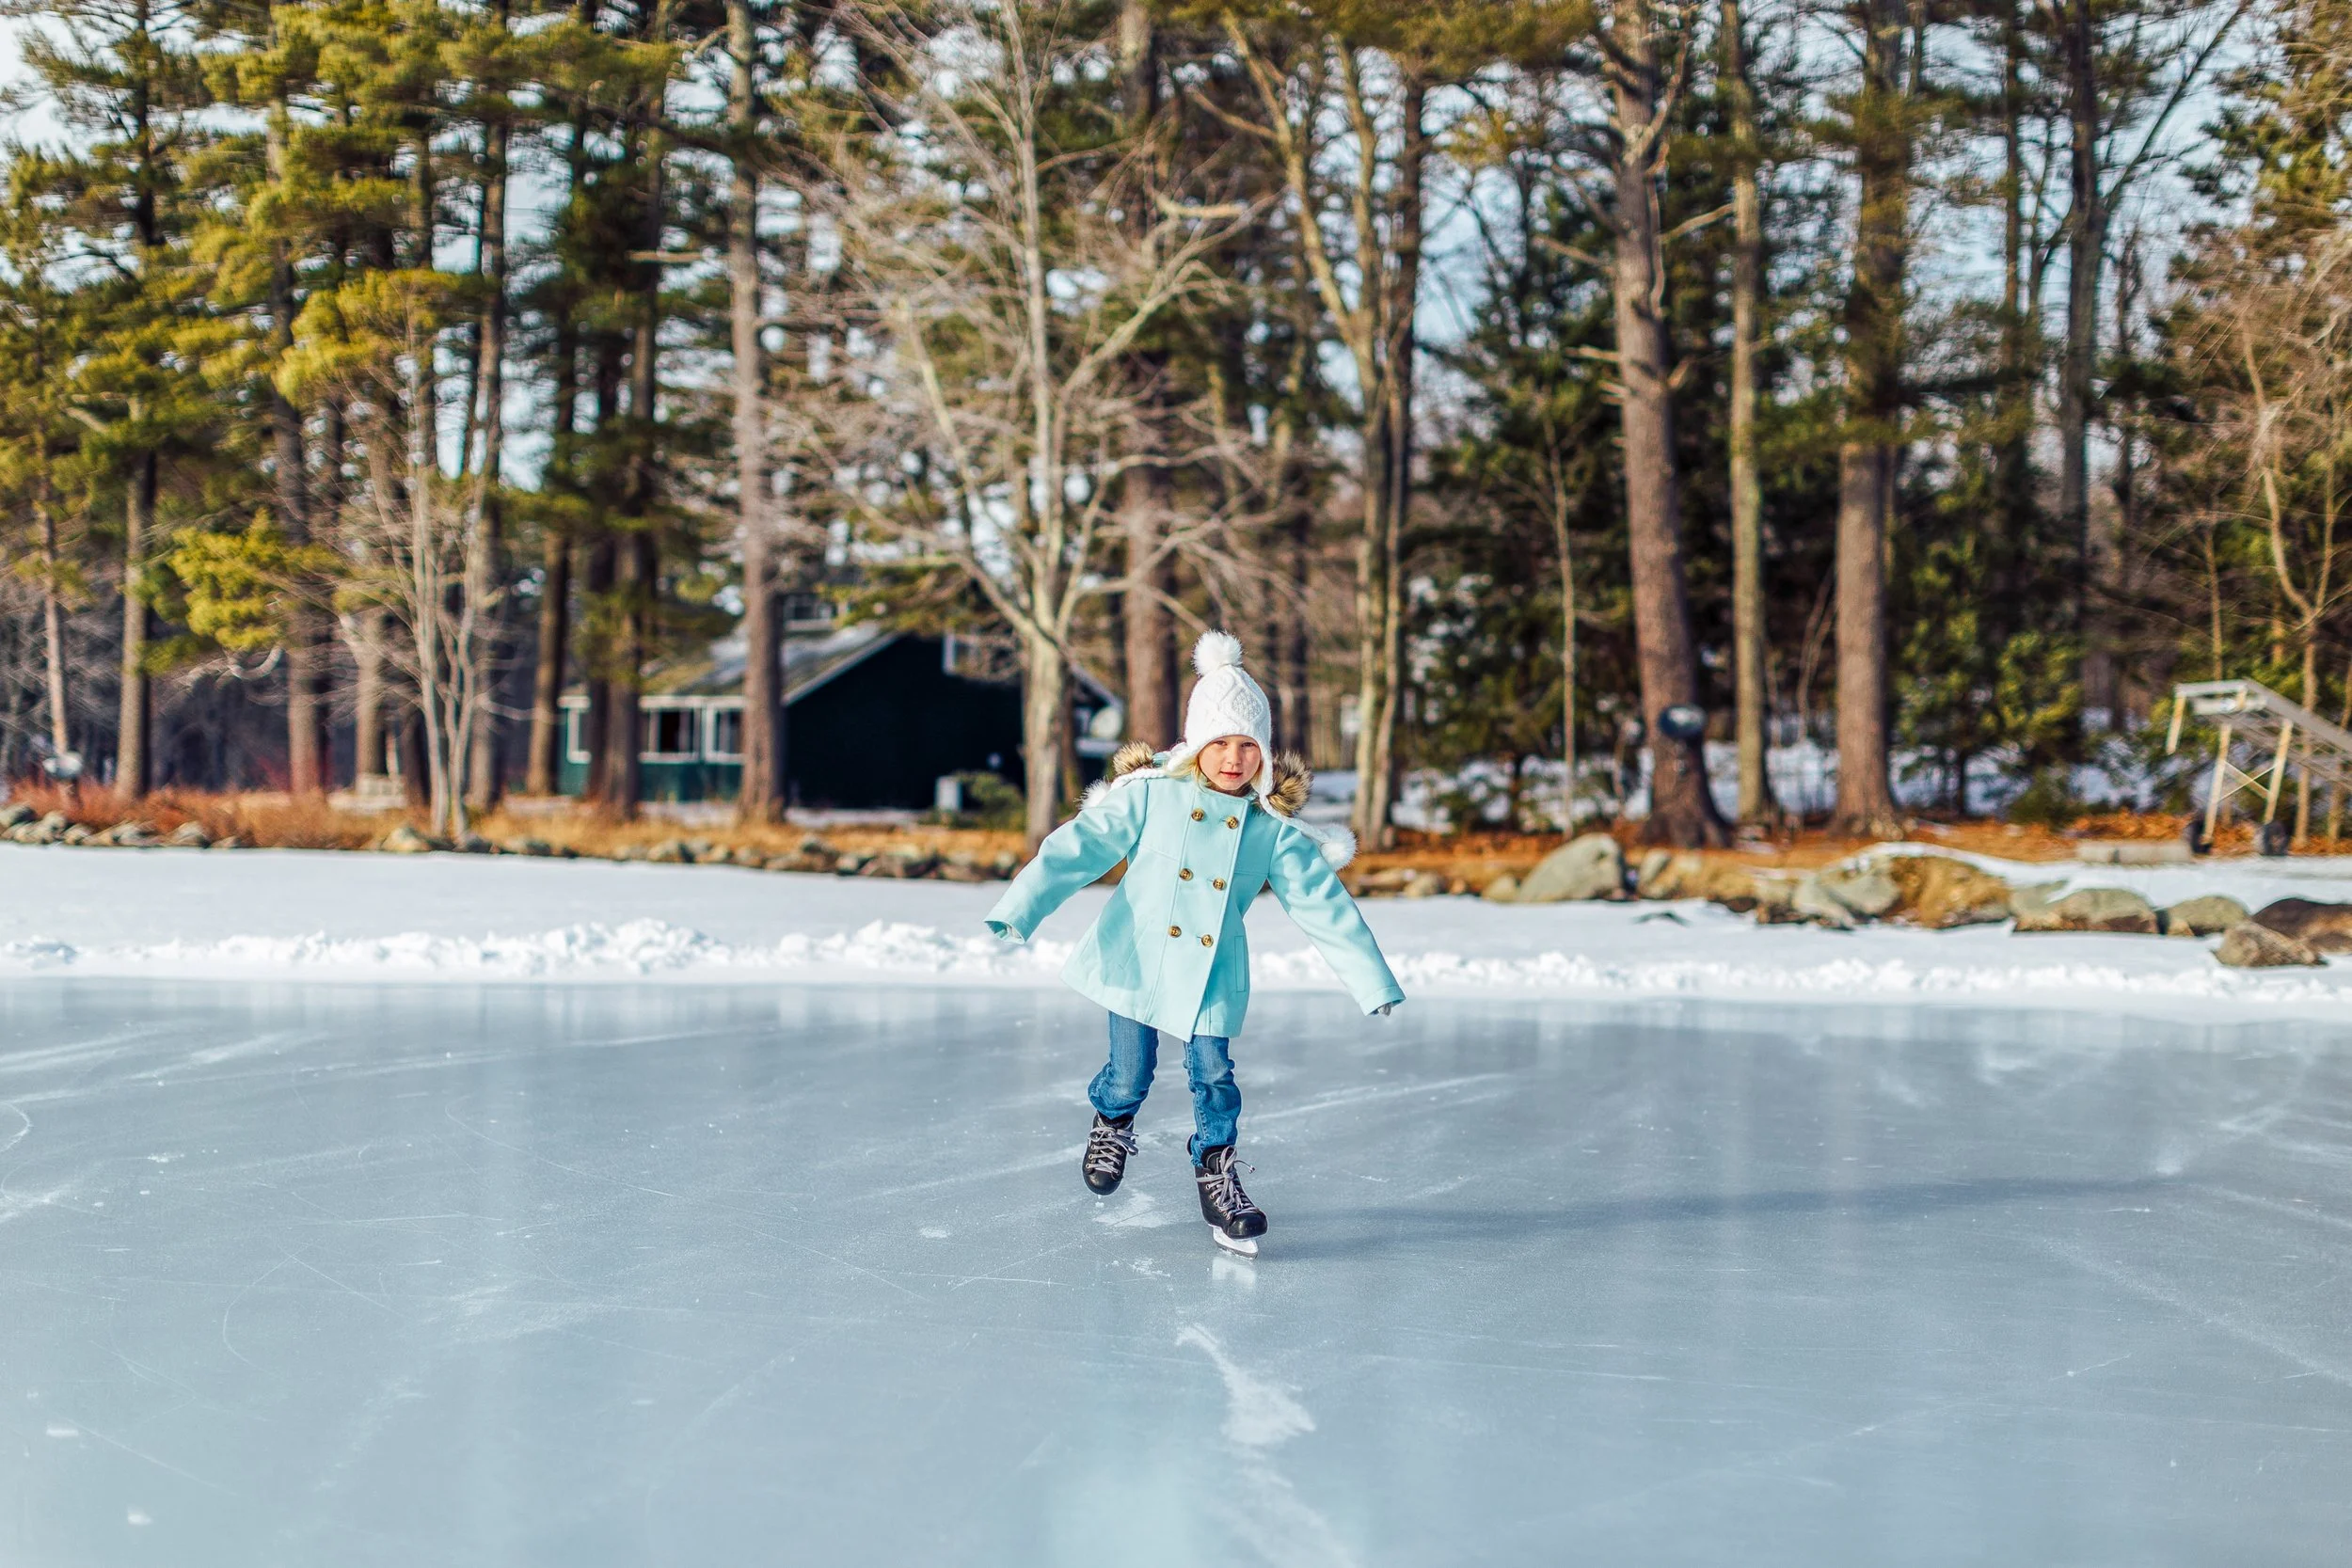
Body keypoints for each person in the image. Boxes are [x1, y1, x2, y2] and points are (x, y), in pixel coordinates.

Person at [984, 631, 1405, 1255]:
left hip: (1212, 970)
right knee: (1131, 1074)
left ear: (1262, 754)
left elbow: (1324, 905)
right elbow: (1076, 849)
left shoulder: (1271, 830)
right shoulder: (1151, 795)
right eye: (1220, 743)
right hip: (1135, 957)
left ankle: (1216, 1170)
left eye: (1247, 746)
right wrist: (1018, 909)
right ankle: (1113, 1119)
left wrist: (1371, 980)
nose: (1233, 758)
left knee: (1213, 1075)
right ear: (1196, 745)